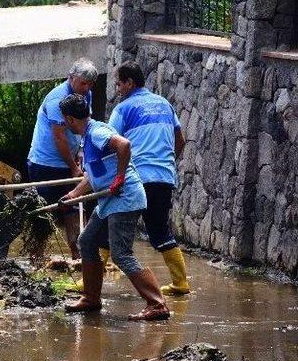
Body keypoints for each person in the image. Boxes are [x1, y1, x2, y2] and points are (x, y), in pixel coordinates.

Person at [59, 94, 169, 321]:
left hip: (124, 198)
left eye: (64, 120)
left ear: (70, 119)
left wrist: (120, 177)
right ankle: (91, 298)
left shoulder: (97, 132)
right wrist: (73, 195)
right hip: (109, 201)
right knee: (87, 241)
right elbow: (93, 175)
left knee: (121, 253)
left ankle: (157, 304)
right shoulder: (88, 136)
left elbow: (124, 144)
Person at [109, 61, 190, 296]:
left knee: (107, 221)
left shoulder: (123, 109)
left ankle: (89, 282)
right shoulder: (165, 104)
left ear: (129, 83)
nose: (117, 89)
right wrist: (166, 164)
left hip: (135, 178)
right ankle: (181, 283)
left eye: (119, 84)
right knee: (160, 231)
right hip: (163, 177)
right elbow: (180, 141)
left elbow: (111, 144)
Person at [27, 58, 98, 259]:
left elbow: (82, 127)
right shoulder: (56, 100)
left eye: (90, 84)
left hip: (70, 159)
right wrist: (74, 168)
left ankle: (77, 255)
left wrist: (80, 157)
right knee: (44, 211)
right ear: (71, 78)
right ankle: (36, 258)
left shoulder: (87, 96)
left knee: (72, 209)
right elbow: (59, 137)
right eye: (83, 83)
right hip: (45, 163)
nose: (86, 88)